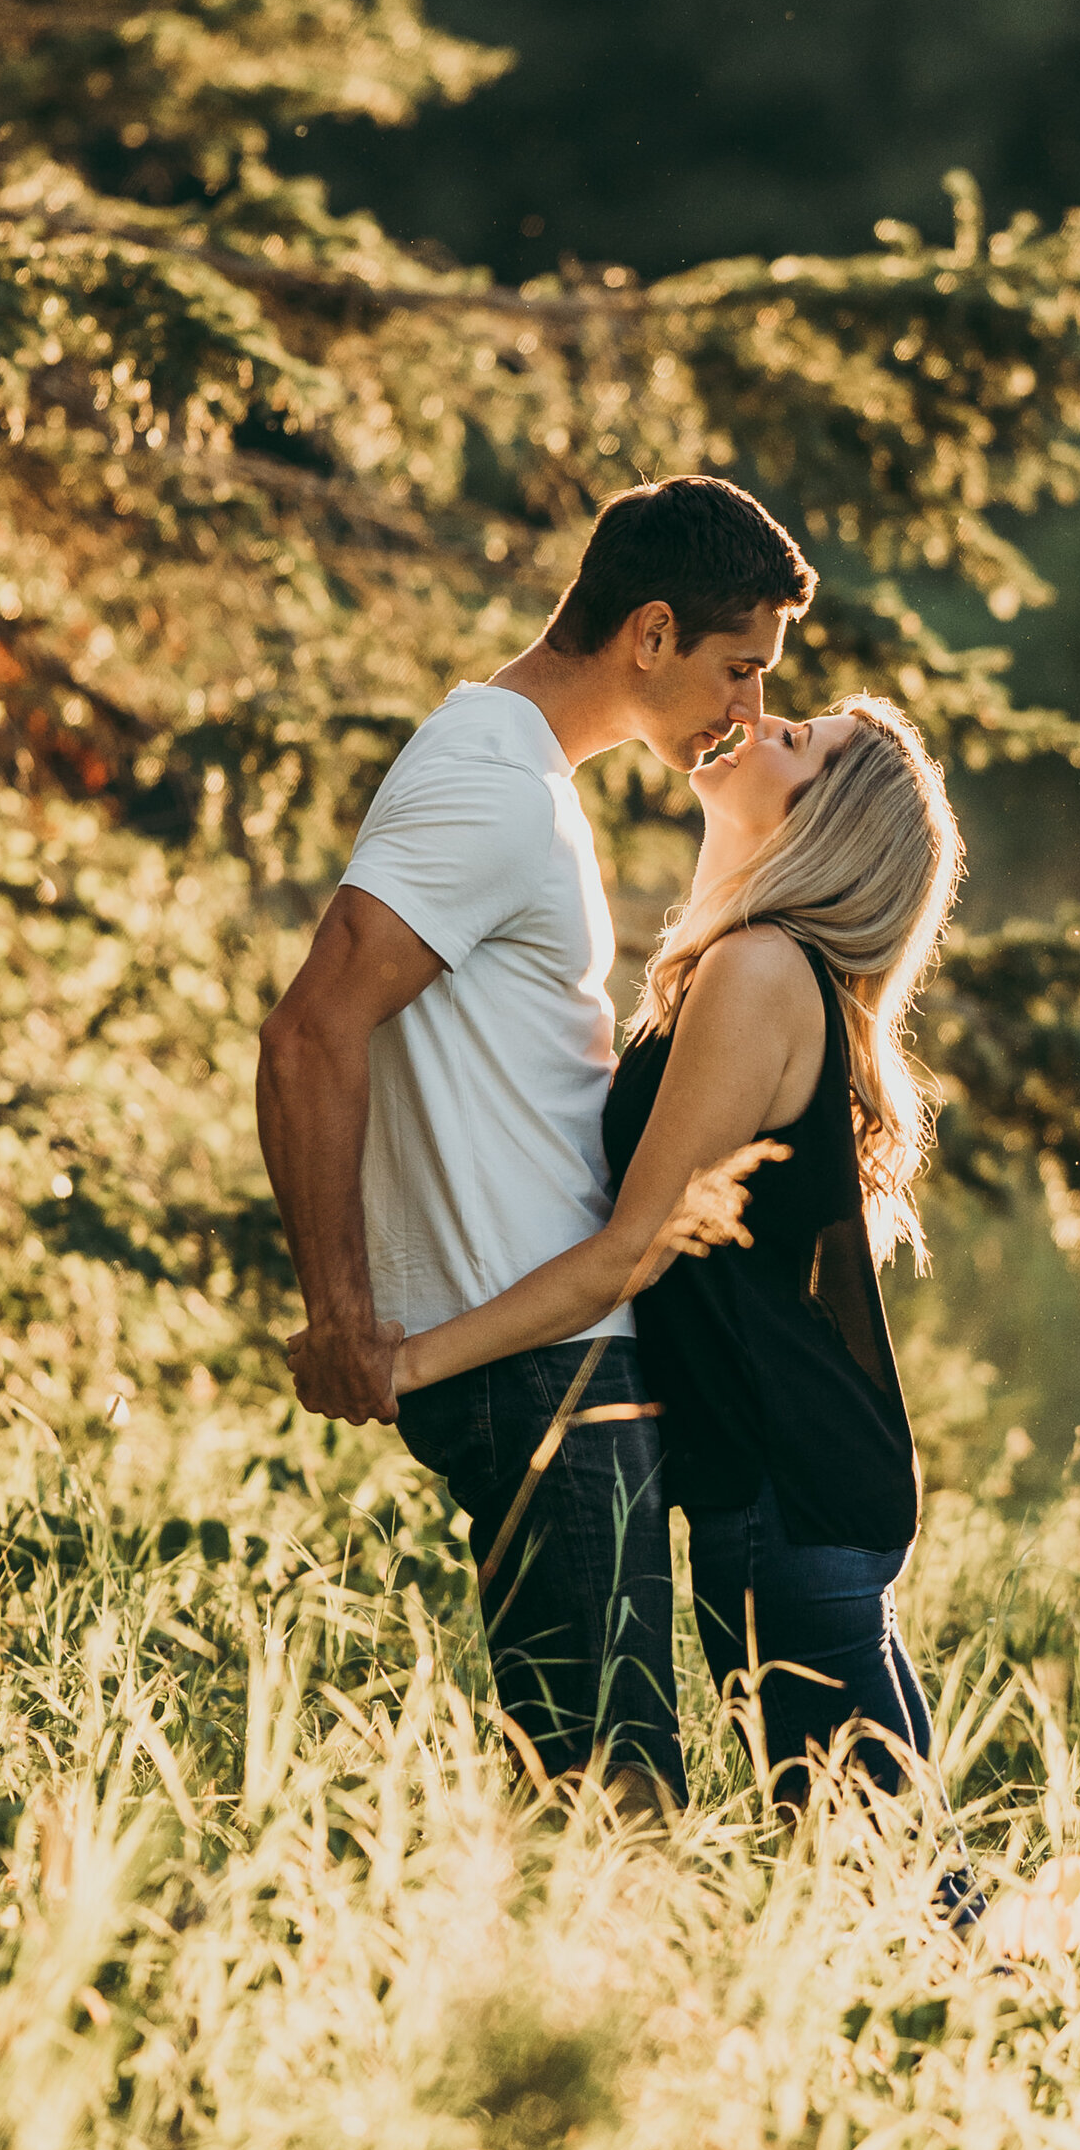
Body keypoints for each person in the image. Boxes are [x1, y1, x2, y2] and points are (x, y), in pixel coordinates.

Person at [259, 475, 815, 1800]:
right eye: (740, 670)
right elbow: (310, 1029)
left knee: (598, 1785)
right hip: (536, 1367)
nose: (748, 711)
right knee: (622, 1802)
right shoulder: (488, 777)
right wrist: (339, 1308)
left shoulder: (527, 778)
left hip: (556, 1346)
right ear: (651, 632)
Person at [383, 690, 961, 1818]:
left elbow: (624, 1256)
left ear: (829, 827)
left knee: (885, 1888)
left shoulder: (757, 973)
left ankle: (1022, 1994)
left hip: (785, 1492)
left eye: (803, 742)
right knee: (877, 1876)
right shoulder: (742, 963)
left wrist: (411, 1362)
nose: (768, 720)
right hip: (795, 1487)